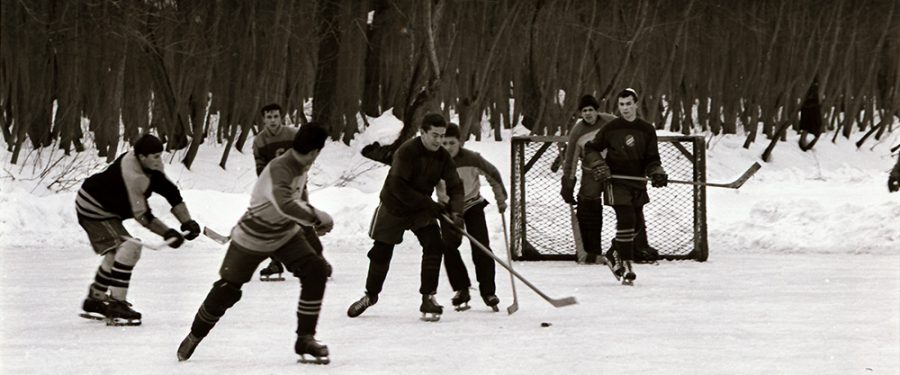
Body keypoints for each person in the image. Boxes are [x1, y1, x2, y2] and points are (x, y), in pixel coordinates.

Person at [176, 124, 334, 364]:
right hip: (252, 236)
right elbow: (286, 204)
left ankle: (305, 338)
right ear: (315, 152)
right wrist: (318, 217)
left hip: (285, 234)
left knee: (316, 270)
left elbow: (299, 199)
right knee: (228, 290)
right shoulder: (280, 167)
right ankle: (195, 334)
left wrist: (311, 228)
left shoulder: (302, 164)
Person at [346, 113, 465, 322]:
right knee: (381, 251)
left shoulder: (442, 157)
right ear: (422, 133)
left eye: (442, 135)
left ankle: (428, 297)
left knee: (434, 244)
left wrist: (456, 212)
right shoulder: (407, 152)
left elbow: (455, 186)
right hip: (394, 205)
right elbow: (398, 186)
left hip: (420, 209)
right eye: (434, 135)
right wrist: (428, 203)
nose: (439, 140)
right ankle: (370, 295)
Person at [76, 134, 201, 326]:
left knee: (118, 252)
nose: (160, 161)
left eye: (160, 155)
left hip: (104, 207)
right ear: (142, 157)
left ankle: (95, 299)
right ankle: (117, 303)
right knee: (130, 248)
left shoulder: (147, 165)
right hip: (93, 208)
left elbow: (170, 192)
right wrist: (167, 233)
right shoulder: (133, 175)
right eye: (155, 157)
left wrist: (187, 222)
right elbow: (143, 216)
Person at [583, 88, 668, 285]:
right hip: (616, 181)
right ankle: (627, 264)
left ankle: (614, 251)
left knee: (637, 225)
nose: (625, 108)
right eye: (621, 105)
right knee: (627, 218)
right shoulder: (611, 128)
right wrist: (599, 165)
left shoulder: (647, 129)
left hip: (637, 182)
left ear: (636, 104)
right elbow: (591, 148)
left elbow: (652, 159)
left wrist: (656, 173)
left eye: (629, 104)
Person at [436, 123, 508, 311]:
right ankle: (461, 288)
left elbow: (493, 175)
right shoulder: (434, 161)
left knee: (481, 246)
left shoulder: (472, 158)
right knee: (448, 248)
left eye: (452, 143)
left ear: (460, 142)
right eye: (443, 143)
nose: (448, 147)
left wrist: (501, 199)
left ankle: (488, 291)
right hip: (448, 208)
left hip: (472, 205)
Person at [560, 95, 617, 264]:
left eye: (591, 110)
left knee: (627, 205)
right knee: (587, 205)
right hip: (590, 173)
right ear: (580, 114)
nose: (588, 113)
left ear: (596, 110)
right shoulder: (577, 131)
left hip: (615, 171)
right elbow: (570, 158)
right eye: (584, 111)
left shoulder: (610, 121)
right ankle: (591, 251)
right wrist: (568, 184)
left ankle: (632, 249)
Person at [253, 103, 296, 281]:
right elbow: (260, 167)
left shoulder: (293, 135)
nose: (273, 120)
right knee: (273, 225)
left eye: (276, 116)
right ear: (264, 119)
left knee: (303, 222)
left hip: (296, 185)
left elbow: (304, 156)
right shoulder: (259, 141)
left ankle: (319, 262)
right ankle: (275, 262)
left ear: (281, 117)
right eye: (269, 117)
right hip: (274, 189)